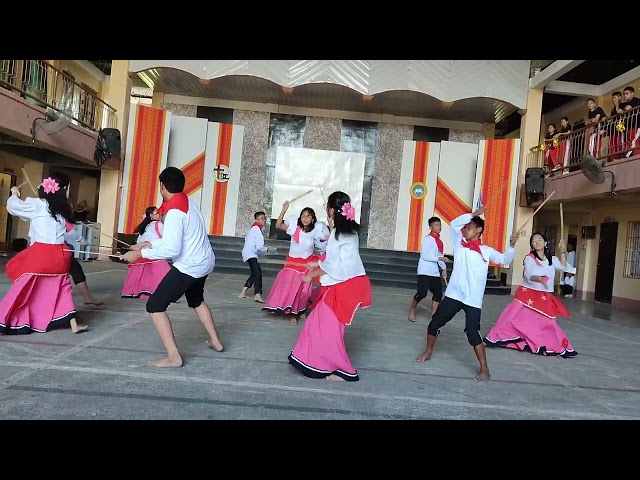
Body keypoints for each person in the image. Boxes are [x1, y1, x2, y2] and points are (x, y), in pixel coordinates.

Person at [120, 167, 223, 367]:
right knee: (196, 300)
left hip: (190, 266)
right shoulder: (188, 203)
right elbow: (176, 239)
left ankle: (174, 357)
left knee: (155, 306)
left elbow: (172, 249)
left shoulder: (175, 212)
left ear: (162, 186)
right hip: (204, 261)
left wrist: (139, 254)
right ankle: (216, 341)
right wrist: (147, 244)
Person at [414, 205, 518, 381]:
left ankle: (485, 369)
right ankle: (428, 351)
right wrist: (472, 214)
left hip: (472, 300)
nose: (465, 230)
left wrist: (512, 245)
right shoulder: (459, 244)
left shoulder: (486, 251)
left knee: (472, 333)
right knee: (434, 324)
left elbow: (505, 259)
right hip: (454, 294)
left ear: (478, 230)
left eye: (469, 227)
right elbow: (454, 224)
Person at [288, 191, 372, 382]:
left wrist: (312, 274)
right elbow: (336, 260)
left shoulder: (339, 234)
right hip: (347, 284)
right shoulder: (347, 232)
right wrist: (316, 264)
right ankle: (317, 362)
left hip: (344, 287)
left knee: (328, 328)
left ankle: (344, 370)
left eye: (328, 207)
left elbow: (335, 265)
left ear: (332, 210)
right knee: (319, 324)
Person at [0, 172, 88, 334]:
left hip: (42, 252)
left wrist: (13, 193)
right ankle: (74, 325)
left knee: (22, 286)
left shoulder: (38, 204)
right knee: (63, 288)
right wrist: (82, 240)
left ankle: (3, 320)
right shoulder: (63, 209)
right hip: (61, 254)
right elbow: (70, 232)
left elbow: (14, 207)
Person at [484, 233, 577, 358]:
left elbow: (565, 268)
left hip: (544, 297)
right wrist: (539, 279)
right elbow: (529, 274)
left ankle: (552, 345)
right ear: (532, 245)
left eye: (539, 239)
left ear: (545, 243)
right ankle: (498, 338)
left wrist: (563, 250)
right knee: (510, 318)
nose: (537, 242)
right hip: (527, 294)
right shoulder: (529, 258)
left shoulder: (552, 260)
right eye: (533, 241)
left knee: (548, 324)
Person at [262, 202, 324, 324]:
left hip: (307, 264)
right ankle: (292, 314)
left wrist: (330, 221)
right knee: (291, 289)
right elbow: (279, 225)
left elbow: (327, 240)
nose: (305, 218)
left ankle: (300, 311)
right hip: (292, 263)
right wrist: (284, 209)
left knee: (303, 290)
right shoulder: (295, 228)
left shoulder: (315, 232)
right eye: (303, 216)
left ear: (312, 219)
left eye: (308, 216)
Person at [121, 206, 171, 299]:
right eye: (157, 212)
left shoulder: (145, 226)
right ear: (151, 215)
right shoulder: (159, 225)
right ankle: (162, 292)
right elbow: (166, 239)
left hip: (142, 252)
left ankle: (138, 291)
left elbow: (140, 240)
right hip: (153, 252)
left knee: (142, 274)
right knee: (161, 275)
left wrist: (137, 247)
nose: (160, 214)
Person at [408, 216, 450, 322]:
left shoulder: (439, 242)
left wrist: (444, 268)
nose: (439, 227)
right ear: (430, 227)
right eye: (436, 225)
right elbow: (425, 256)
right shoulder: (428, 240)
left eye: (439, 224)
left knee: (438, 293)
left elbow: (440, 255)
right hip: (424, 270)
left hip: (434, 272)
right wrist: (440, 258)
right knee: (422, 293)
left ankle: (434, 315)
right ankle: (412, 309)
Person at [239, 211, 270, 303]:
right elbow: (259, 246)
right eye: (261, 219)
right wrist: (267, 249)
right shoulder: (257, 229)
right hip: (250, 253)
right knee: (258, 273)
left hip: (248, 253)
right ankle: (257, 294)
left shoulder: (253, 228)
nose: (264, 220)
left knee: (254, 273)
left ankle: (243, 292)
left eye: (264, 218)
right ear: (256, 220)